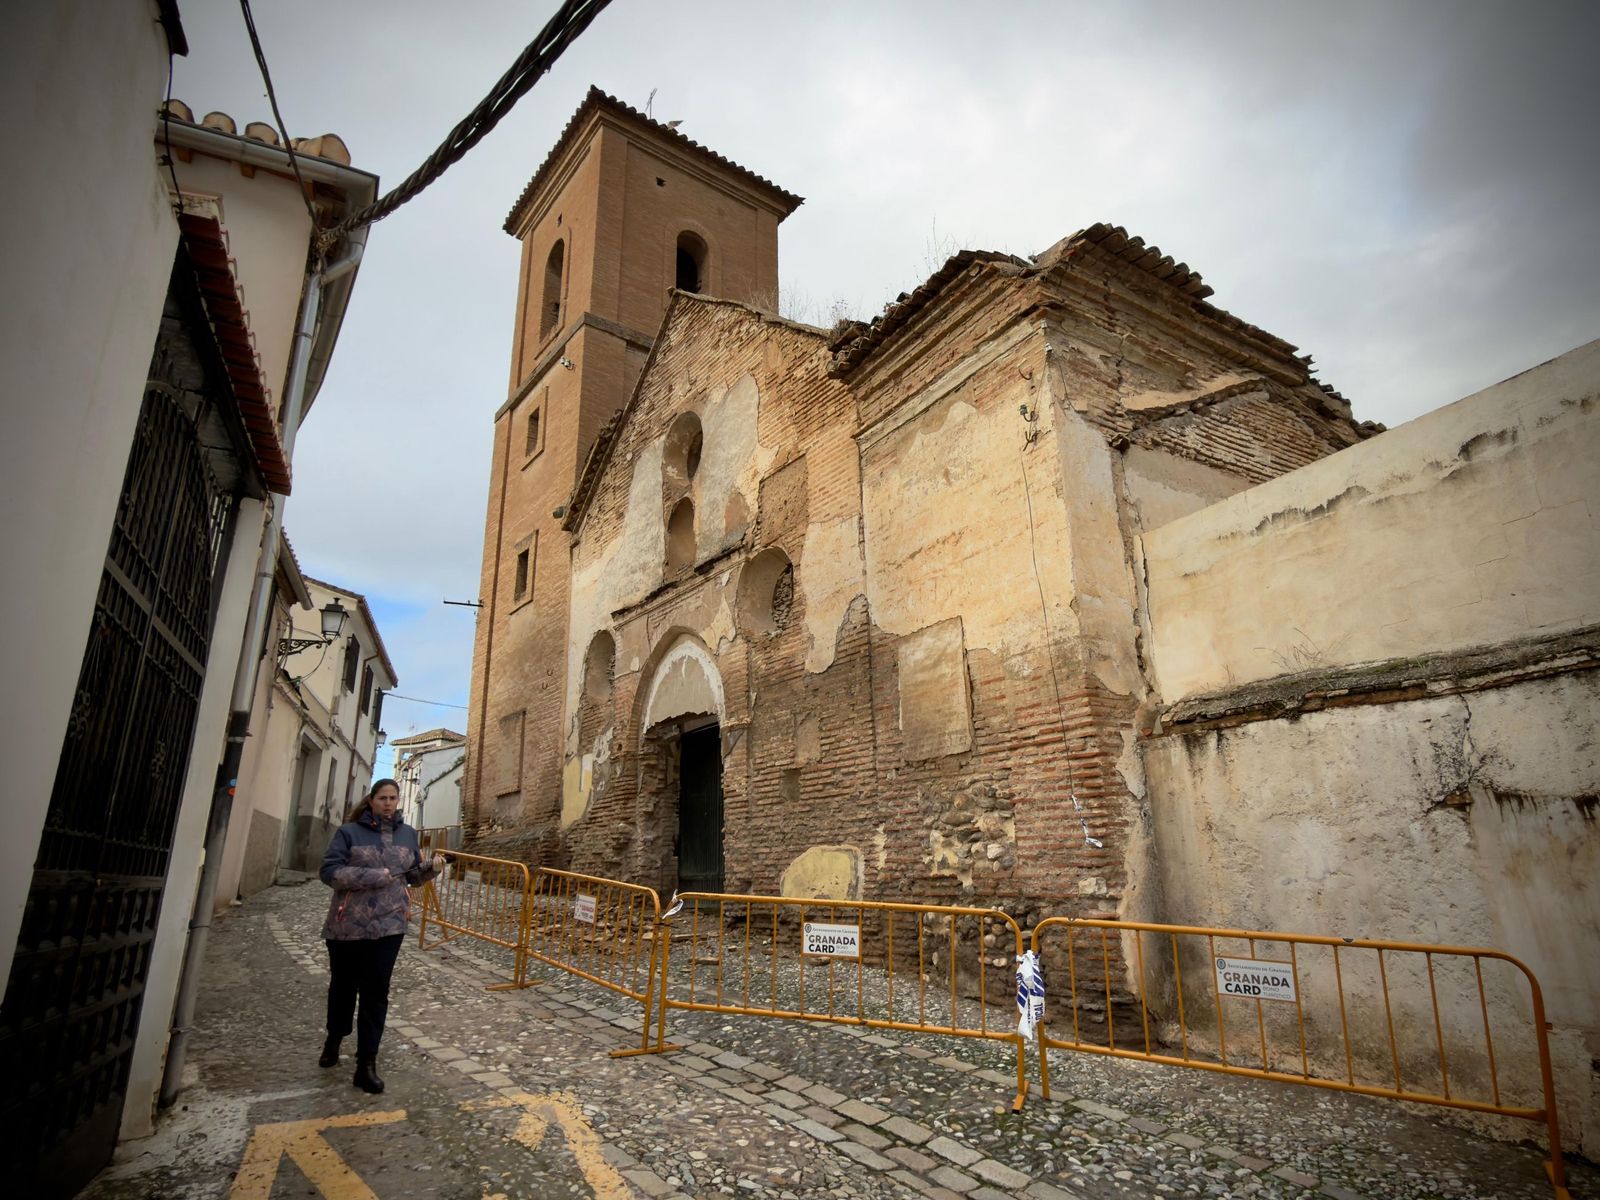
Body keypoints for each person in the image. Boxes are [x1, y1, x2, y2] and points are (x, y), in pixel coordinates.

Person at [318, 778, 444, 1093]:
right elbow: (329, 872)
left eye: (393, 798)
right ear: (372, 800)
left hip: (390, 926)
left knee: (376, 993)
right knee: (343, 988)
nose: (388, 803)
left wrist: (432, 869)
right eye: (383, 798)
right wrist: (372, 876)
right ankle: (335, 1037)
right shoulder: (349, 833)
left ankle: (366, 1064)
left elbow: (413, 877)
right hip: (347, 927)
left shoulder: (407, 834)